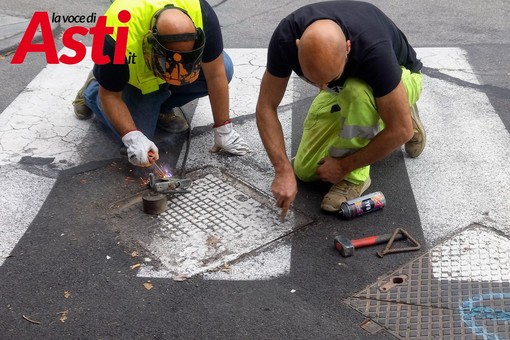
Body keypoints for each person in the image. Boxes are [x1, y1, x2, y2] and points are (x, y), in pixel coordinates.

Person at [255, 1, 424, 214]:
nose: (322, 87)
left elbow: (402, 131)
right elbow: (266, 106)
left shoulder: (373, 49)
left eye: (329, 78)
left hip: (403, 77)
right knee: (305, 171)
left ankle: (356, 177)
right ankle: (388, 110)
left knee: (357, 92)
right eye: (313, 80)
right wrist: (282, 171)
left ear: (347, 47)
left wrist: (344, 166)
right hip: (344, 90)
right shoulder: (285, 37)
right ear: (298, 45)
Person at [73, 0, 250, 167]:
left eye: (185, 61)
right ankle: (93, 89)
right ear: (151, 44)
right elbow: (110, 95)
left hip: (155, 74)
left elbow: (216, 74)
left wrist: (223, 128)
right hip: (133, 82)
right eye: (170, 62)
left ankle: (161, 106)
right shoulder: (116, 33)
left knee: (225, 67)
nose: (179, 72)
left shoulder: (201, 12)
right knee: (139, 137)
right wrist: (132, 136)